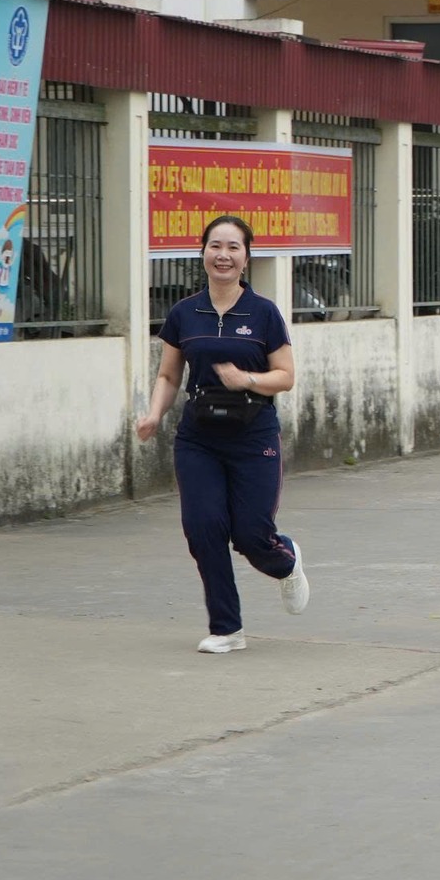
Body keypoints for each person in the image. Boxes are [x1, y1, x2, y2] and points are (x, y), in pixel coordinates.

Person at [137, 215, 310, 655]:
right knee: (203, 527)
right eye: (215, 246)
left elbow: (286, 376)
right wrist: (154, 414)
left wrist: (247, 379)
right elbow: (168, 375)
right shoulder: (184, 313)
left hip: (254, 436)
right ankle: (227, 628)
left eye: (233, 247)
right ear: (202, 252)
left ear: (246, 257)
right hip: (198, 438)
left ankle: (286, 562)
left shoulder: (264, 313)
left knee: (251, 534)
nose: (223, 255)